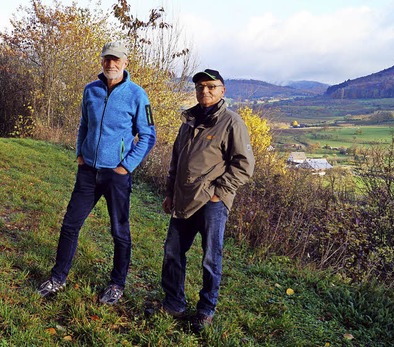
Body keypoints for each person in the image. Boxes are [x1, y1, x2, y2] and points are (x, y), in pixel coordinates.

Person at [37, 41, 156, 305]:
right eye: (106, 59)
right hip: (88, 171)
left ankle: (117, 284)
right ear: (101, 61)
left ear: (125, 63)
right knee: (70, 224)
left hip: (116, 174)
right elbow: (84, 124)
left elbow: (148, 135)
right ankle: (58, 278)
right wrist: (80, 153)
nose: (111, 64)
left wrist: (126, 166)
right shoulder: (90, 90)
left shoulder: (137, 95)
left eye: (116, 60)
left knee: (119, 231)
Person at [159, 69, 255, 332]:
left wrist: (219, 192)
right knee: (173, 252)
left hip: (212, 202)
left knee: (210, 258)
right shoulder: (187, 122)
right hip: (183, 200)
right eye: (201, 87)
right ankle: (174, 303)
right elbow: (176, 162)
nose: (205, 91)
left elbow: (244, 165)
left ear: (222, 90)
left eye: (212, 86)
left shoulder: (231, 122)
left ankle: (205, 310)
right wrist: (170, 193)